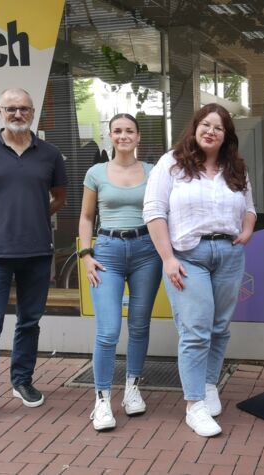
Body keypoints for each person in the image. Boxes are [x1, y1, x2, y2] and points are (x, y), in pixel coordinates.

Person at [0, 88, 68, 430]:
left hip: (36, 254)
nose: (17, 114)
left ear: (33, 113)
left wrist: (33, 217)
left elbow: (59, 196)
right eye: (11, 109)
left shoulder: (49, 154)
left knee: (29, 323)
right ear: (0, 111)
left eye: (23, 109)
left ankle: (22, 381)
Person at [143, 103, 256, 437]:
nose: (211, 131)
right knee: (195, 330)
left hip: (228, 254)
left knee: (219, 327)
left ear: (226, 136)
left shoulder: (236, 168)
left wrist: (247, 230)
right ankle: (194, 405)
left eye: (218, 128)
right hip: (186, 255)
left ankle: (208, 385)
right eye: (205, 125)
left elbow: (249, 207)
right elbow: (154, 211)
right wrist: (168, 258)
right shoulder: (172, 164)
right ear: (194, 129)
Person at [78, 113, 162, 431]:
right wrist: (86, 255)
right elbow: (86, 217)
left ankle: (132, 390)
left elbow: (161, 213)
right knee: (109, 330)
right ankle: (101, 401)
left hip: (146, 251)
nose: (123, 136)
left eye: (129, 131)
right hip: (108, 253)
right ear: (110, 136)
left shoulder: (154, 172)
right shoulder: (96, 172)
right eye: (117, 131)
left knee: (139, 325)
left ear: (138, 137)